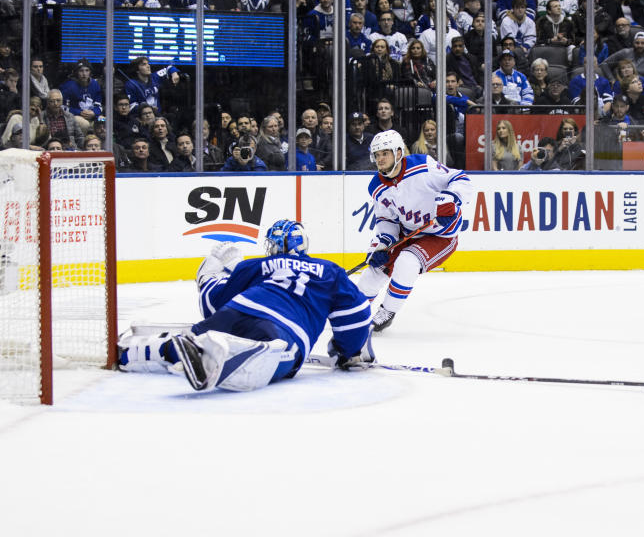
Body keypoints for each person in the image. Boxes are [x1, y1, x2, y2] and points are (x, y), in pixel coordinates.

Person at [118, 220, 375, 392]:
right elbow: (358, 316)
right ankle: (238, 356)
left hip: (238, 309)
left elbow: (212, 304)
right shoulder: (330, 271)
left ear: (274, 246)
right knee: (275, 354)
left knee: (197, 335)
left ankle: (141, 352)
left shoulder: (254, 265)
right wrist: (346, 351)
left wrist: (212, 273)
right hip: (286, 329)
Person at [357, 130, 472, 332]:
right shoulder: (376, 186)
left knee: (407, 262)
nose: (380, 159)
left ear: (399, 153)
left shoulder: (423, 166)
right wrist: (383, 243)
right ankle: (354, 314)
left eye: (385, 153)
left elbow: (461, 178)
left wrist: (451, 199)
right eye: (377, 155)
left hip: (439, 234)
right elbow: (386, 219)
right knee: (372, 275)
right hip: (406, 233)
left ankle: (388, 311)